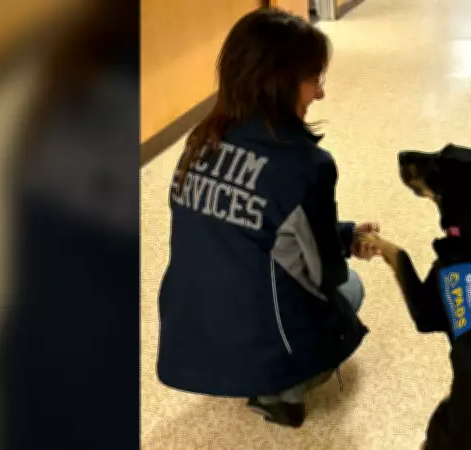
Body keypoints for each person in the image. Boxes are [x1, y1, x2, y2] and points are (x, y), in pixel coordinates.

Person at [156, 8, 377, 428]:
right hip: (259, 341)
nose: (320, 94)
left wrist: (345, 233)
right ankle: (281, 392)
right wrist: (342, 246)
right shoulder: (307, 165)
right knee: (350, 288)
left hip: (189, 334)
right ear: (279, 84)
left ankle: (248, 368)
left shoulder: (200, 141)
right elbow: (325, 271)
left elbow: (248, 228)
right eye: (315, 79)